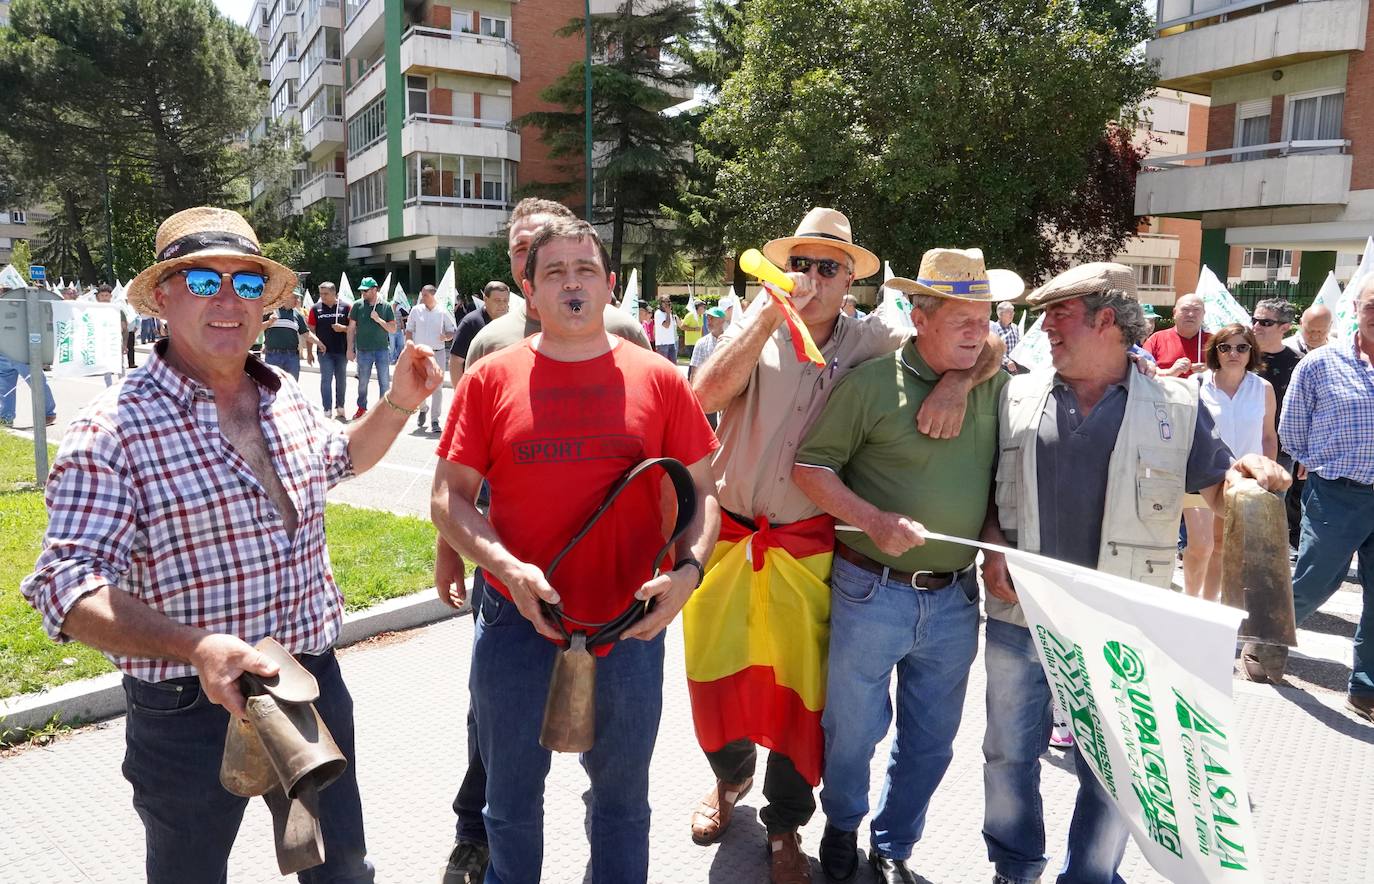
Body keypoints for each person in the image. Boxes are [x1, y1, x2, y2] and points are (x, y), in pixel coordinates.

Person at [19, 206, 444, 883]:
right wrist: (197, 646)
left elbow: (340, 459)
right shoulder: (113, 428)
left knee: (342, 872)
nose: (228, 300)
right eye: (202, 280)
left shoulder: (285, 397)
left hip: (308, 681)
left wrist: (397, 402)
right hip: (189, 705)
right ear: (163, 296)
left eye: (247, 284)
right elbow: (64, 589)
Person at [686, 208, 1004, 884]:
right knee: (720, 682)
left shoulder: (876, 338)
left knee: (801, 701)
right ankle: (726, 782)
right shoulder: (756, 325)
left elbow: (983, 341)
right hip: (733, 539)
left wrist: (954, 380)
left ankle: (784, 829)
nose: (812, 278)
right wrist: (769, 319)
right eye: (801, 263)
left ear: (852, 281)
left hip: (807, 549)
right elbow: (701, 397)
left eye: (830, 267)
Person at [431, 217, 721, 884]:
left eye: (585, 270)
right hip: (515, 623)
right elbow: (448, 497)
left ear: (610, 287)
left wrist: (689, 573)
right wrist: (504, 567)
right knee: (508, 805)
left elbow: (705, 494)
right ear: (529, 292)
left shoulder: (661, 380)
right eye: (554, 272)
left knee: (622, 807)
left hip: (631, 625)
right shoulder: (490, 379)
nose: (572, 283)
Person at [977, 262, 1287, 884]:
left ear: (1107, 321)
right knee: (1008, 754)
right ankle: (1014, 868)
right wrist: (991, 544)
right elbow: (982, 487)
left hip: (1119, 625)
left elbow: (1219, 486)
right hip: (1021, 613)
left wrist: (1252, 477)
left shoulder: (1175, 402)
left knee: (1118, 764)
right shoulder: (1014, 394)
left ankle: (1089, 875)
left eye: (1059, 315)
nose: (1045, 328)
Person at [791, 247, 1019, 884]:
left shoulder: (994, 382)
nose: (981, 331)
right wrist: (873, 521)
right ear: (920, 317)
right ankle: (841, 825)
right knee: (853, 729)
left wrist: (959, 378)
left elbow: (1001, 478)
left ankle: (893, 845)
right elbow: (809, 467)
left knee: (931, 740)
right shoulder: (870, 384)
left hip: (955, 599)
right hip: (871, 589)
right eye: (963, 319)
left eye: (985, 317)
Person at [1271, 277, 1374, 722]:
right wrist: (1314, 461)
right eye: (1373, 304)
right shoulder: (1321, 363)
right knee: (1316, 581)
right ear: (1357, 306)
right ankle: (1268, 636)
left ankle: (1365, 688)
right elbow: (1291, 425)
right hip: (1337, 493)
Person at [463, 199, 649, 366]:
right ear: (509, 257)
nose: (532, 260)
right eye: (521, 248)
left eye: (544, 245)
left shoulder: (625, 331)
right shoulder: (488, 344)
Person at [1181, 324, 1276, 601]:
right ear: (1216, 351)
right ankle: (1189, 601)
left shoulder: (1263, 388)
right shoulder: (1196, 385)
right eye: (1225, 347)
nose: (1233, 353)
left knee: (1222, 546)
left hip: (1244, 479)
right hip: (1201, 475)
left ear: (1251, 351)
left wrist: (1267, 481)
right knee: (1200, 545)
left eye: (1241, 347)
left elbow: (1268, 437)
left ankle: (1209, 610)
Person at [407, 284, 458, 433]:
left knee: (437, 387)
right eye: (422, 294)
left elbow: (452, 331)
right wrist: (408, 347)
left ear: (433, 295)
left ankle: (435, 419)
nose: (422, 297)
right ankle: (423, 408)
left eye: (425, 295)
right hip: (420, 353)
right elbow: (409, 330)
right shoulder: (416, 311)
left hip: (438, 353)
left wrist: (446, 336)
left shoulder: (443, 312)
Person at [348, 276, 396, 419]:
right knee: (362, 382)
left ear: (375, 290)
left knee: (384, 382)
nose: (363, 293)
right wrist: (349, 349)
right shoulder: (357, 305)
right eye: (362, 290)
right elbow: (351, 328)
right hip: (363, 350)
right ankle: (361, 407)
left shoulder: (386, 306)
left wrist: (378, 319)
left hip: (382, 350)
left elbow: (393, 329)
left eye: (366, 290)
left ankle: (383, 411)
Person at [448, 280, 511, 386]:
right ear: (485, 299)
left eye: (505, 300)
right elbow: (456, 361)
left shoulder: (511, 321)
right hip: (477, 387)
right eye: (497, 300)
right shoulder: (471, 322)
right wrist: (460, 394)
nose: (502, 305)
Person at [308, 281, 351, 421]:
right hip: (324, 352)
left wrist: (343, 328)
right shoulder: (315, 308)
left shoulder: (346, 307)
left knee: (341, 380)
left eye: (326, 294)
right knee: (326, 380)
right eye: (321, 294)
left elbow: (353, 329)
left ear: (334, 293)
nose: (323, 296)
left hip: (341, 350)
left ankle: (340, 407)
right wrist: (309, 352)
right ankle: (326, 409)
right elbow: (310, 331)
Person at [1143, 291, 1209, 377]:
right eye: (1185, 309)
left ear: (1204, 313)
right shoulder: (1156, 339)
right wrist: (1170, 372)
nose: (1191, 314)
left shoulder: (1215, 342)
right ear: (1174, 313)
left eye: (1196, 310)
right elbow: (1143, 371)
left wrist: (1211, 370)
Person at [261, 291, 316, 380]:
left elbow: (306, 333)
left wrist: (319, 343)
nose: (297, 300)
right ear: (285, 297)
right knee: (272, 386)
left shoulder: (298, 315)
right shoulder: (270, 311)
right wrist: (269, 322)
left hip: (292, 356)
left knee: (292, 386)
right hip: (273, 355)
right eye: (294, 297)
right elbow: (256, 328)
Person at [95, 283, 129, 387]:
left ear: (111, 296)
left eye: (107, 295)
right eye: (102, 296)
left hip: (115, 342)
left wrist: (124, 344)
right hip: (101, 343)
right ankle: (108, 389)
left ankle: (122, 387)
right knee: (106, 369)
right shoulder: (93, 311)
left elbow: (124, 328)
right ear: (98, 297)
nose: (104, 298)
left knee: (120, 366)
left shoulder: (118, 310)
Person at [991, 300, 1021, 373]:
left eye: (1013, 311)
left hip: (1015, 366)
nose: (1012, 314)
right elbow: (994, 349)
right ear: (1000, 314)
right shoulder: (994, 328)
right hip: (1000, 367)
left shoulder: (1015, 327)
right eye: (1009, 312)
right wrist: (1006, 361)